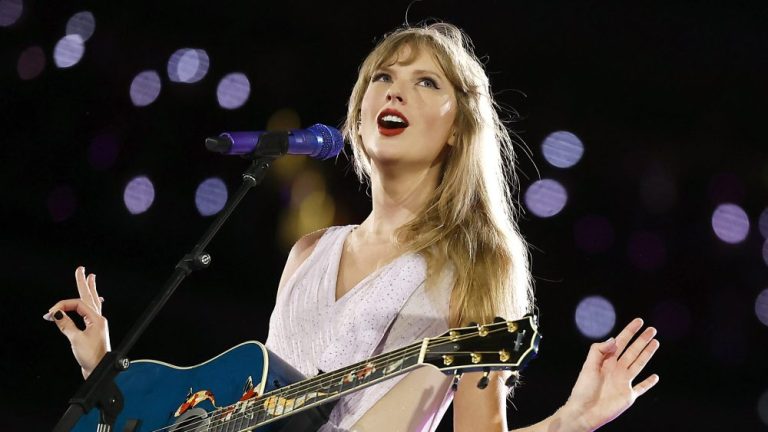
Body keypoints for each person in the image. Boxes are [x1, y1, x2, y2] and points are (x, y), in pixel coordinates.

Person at [45, 22, 660, 432]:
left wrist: (571, 420)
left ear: (459, 128)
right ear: (359, 111)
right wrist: (104, 367)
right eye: (382, 78)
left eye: (426, 82)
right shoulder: (310, 251)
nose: (395, 93)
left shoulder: (476, 265)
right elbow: (247, 406)